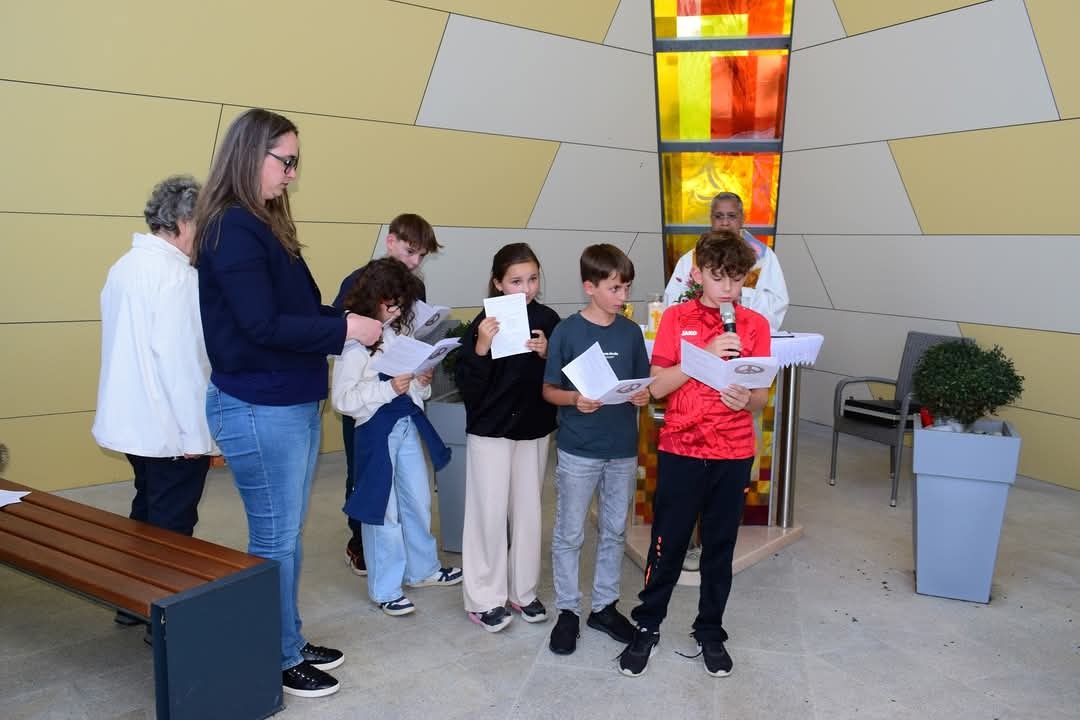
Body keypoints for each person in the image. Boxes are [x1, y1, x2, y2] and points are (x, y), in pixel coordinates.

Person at [193, 108, 382, 699]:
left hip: (287, 400)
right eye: (287, 162)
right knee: (274, 539)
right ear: (252, 155)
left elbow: (295, 312)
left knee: (286, 535)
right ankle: (275, 657)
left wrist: (350, 319)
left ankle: (289, 641)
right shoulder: (231, 227)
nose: (292, 174)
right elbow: (260, 325)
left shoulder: (261, 224)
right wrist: (344, 331)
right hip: (259, 404)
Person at [619, 230, 771, 678]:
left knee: (720, 548)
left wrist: (747, 400)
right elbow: (657, 387)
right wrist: (702, 354)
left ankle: (710, 630)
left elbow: (761, 396)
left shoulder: (755, 325)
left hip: (733, 451)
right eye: (718, 277)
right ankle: (648, 624)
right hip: (682, 447)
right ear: (698, 273)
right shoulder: (676, 318)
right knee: (667, 543)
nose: (728, 287)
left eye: (736, 279)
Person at [92, 175, 214, 628]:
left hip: (131, 422)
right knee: (172, 527)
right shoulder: (178, 278)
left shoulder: (124, 267)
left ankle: (132, 603)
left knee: (145, 511)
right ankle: (164, 623)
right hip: (168, 429)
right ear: (184, 222)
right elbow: (181, 366)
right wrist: (195, 437)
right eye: (204, 225)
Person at [330, 257, 462, 617]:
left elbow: (409, 387)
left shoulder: (395, 334)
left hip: (405, 425)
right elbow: (343, 400)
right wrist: (388, 389)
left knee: (417, 499)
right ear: (374, 298)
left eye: (401, 305)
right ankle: (385, 587)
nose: (397, 312)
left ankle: (422, 569)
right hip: (375, 433)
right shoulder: (355, 343)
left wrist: (420, 382)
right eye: (392, 304)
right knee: (382, 510)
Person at [541, 244, 651, 655]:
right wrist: (575, 399)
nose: (623, 296)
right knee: (569, 532)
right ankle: (568, 610)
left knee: (615, 530)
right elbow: (549, 390)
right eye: (615, 288)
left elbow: (642, 384)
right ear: (590, 287)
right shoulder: (567, 331)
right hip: (579, 449)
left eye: (627, 288)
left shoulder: (631, 332)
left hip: (622, 448)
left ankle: (604, 606)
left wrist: (641, 395)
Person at [455, 243, 559, 632]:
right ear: (498, 283)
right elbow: (467, 387)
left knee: (529, 512)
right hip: (490, 431)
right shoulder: (483, 323)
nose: (526, 288)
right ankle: (484, 598)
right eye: (516, 281)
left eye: (532, 279)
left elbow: (562, 377)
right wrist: (481, 347)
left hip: (533, 428)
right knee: (488, 512)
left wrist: (549, 354)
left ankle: (523, 591)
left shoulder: (548, 319)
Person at [332, 214, 443, 578]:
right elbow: (339, 335)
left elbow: (411, 334)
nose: (415, 261)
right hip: (366, 399)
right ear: (390, 241)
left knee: (410, 487)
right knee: (364, 473)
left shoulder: (416, 287)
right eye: (410, 251)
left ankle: (411, 557)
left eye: (421, 256)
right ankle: (360, 542)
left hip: (400, 395)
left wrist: (421, 367)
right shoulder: (358, 282)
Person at [663, 191, 788, 330]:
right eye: (718, 216)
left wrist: (742, 294)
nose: (725, 223)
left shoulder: (763, 256)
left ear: (742, 218)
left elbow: (777, 302)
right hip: (700, 332)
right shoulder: (692, 257)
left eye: (732, 216)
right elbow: (673, 298)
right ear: (711, 219)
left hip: (747, 331)